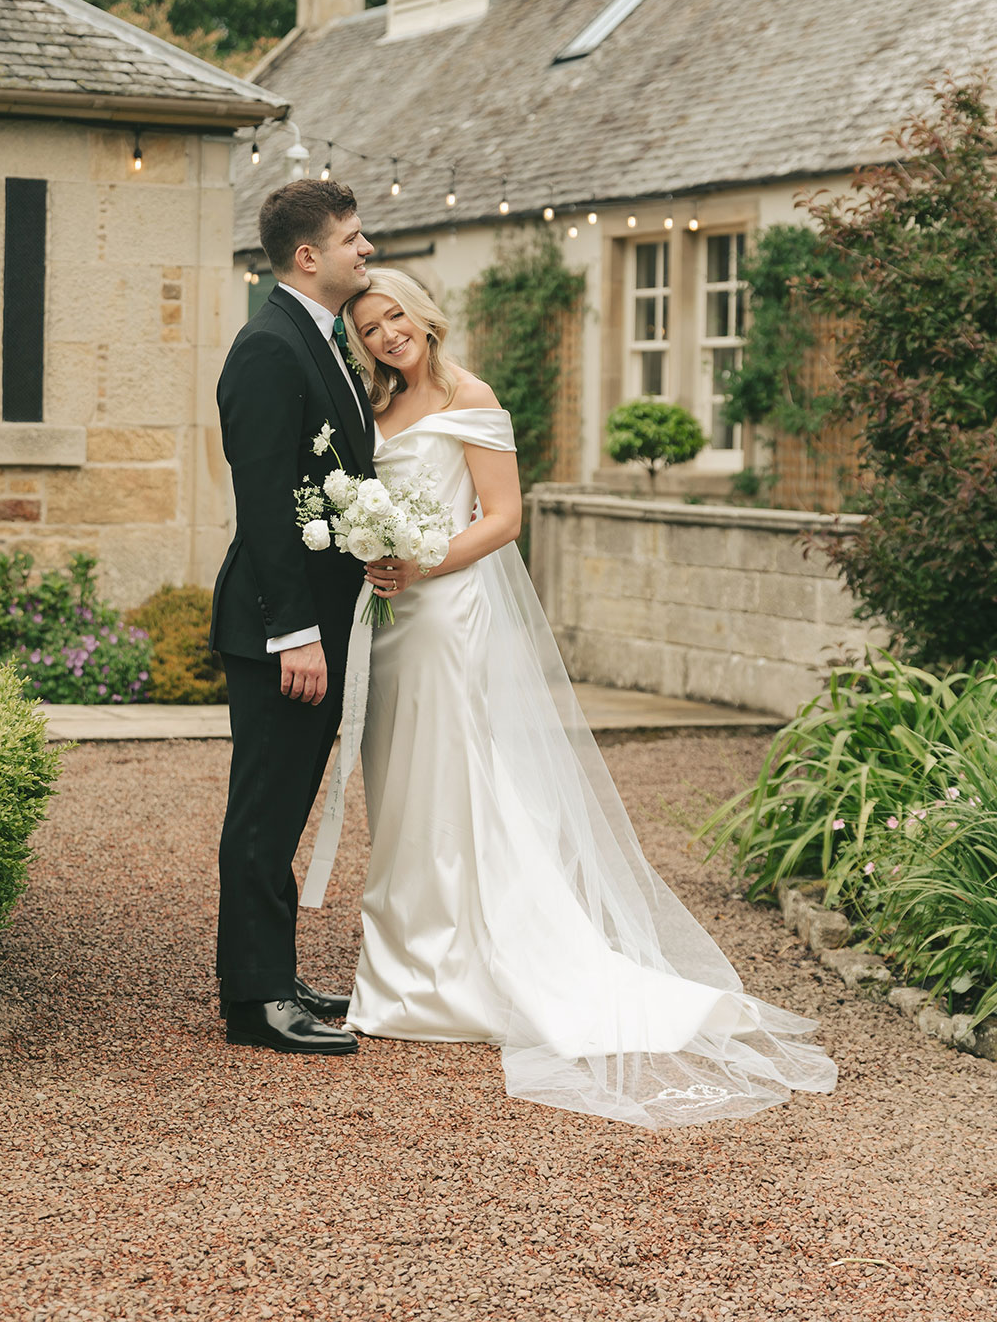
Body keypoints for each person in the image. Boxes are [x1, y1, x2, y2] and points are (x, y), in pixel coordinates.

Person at [340, 268, 838, 1127]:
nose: (388, 335)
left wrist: (425, 561)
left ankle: (459, 972)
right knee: (397, 783)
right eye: (370, 328)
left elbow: (502, 518)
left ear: (424, 315)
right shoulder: (373, 412)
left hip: (446, 609)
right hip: (391, 617)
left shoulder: (471, 394)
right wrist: (376, 557)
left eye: (395, 317)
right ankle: (405, 972)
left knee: (453, 776)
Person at [210, 179, 375, 1055]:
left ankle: (273, 971)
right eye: (354, 238)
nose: (367, 249)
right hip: (283, 629)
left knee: (284, 807)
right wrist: (296, 634)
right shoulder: (269, 347)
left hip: (321, 619)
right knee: (265, 812)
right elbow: (268, 504)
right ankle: (255, 1001)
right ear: (307, 255)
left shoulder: (325, 341)